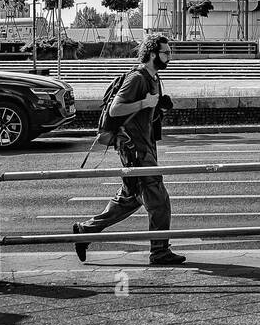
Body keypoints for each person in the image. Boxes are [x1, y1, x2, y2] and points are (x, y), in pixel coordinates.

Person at [73, 34, 184, 266]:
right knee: (159, 200)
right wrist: (145, 103)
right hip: (135, 150)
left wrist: (159, 108)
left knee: (129, 199)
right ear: (153, 54)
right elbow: (115, 110)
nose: (169, 57)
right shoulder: (137, 78)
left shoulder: (154, 78)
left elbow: (147, 113)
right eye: (166, 53)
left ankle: (85, 230)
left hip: (145, 146)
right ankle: (160, 252)